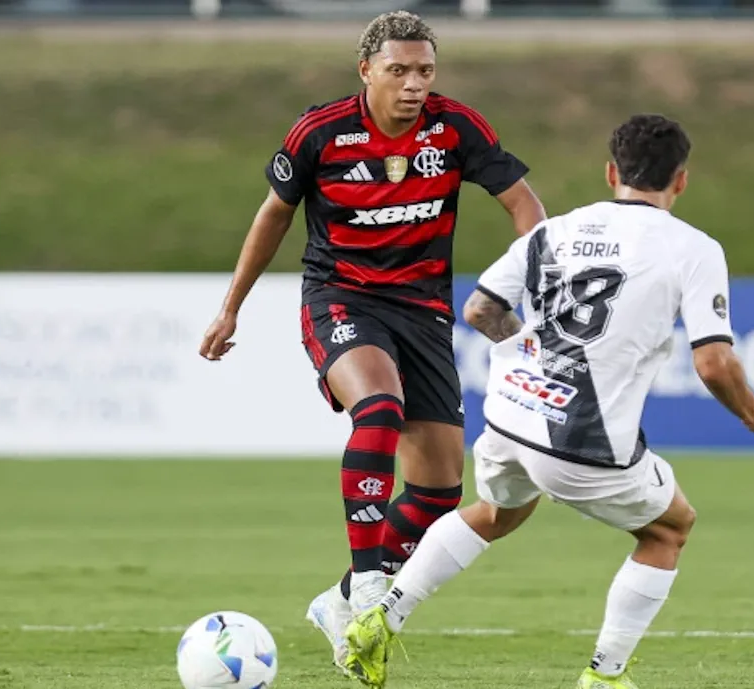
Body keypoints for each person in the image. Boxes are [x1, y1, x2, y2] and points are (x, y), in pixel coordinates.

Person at [339, 113, 754, 689]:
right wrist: (752, 410)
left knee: (498, 511)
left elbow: (479, 310)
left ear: (611, 172)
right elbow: (713, 360)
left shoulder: (554, 230)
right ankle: (604, 676)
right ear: (681, 181)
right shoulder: (693, 248)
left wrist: (530, 350)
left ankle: (381, 614)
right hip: (583, 435)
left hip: (510, 415)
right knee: (669, 529)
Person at [196, 9, 547, 672]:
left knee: (440, 491)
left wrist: (530, 277)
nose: (414, 83)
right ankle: (368, 589)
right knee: (379, 408)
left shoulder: (456, 127)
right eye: (399, 70)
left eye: (425, 70)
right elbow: (274, 213)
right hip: (341, 298)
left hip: (423, 311)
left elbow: (524, 204)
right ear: (366, 72)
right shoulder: (319, 133)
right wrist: (230, 308)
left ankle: (338, 598)